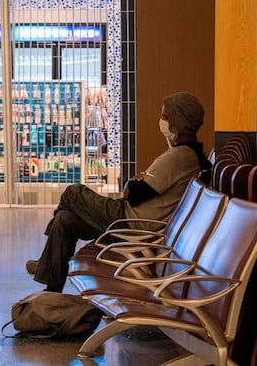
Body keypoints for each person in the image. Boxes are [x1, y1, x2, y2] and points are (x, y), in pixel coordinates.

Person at [26, 91, 210, 293]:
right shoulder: (193, 157)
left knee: (73, 192)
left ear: (177, 121)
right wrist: (137, 180)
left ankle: (45, 263)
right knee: (64, 220)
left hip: (130, 223)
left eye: (165, 117)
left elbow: (132, 194)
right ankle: (52, 291)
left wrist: (134, 181)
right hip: (137, 222)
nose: (162, 121)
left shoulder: (178, 157)